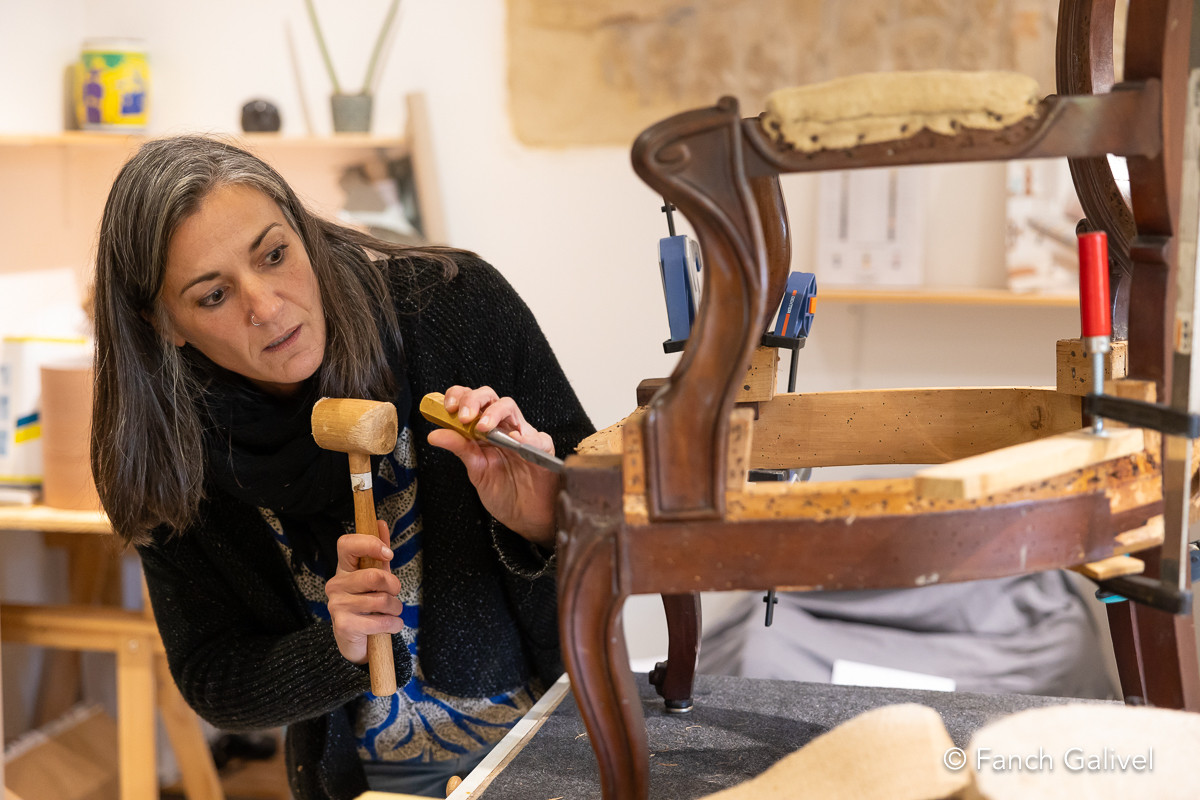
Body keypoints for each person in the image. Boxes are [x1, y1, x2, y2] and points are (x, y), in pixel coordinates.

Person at [89, 135, 594, 799]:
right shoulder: (167, 450)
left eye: (275, 255)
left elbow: (619, 545)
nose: (268, 307)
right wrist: (336, 649)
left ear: (304, 233)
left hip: (560, 738)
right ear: (166, 324)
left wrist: (540, 522)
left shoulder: (457, 308)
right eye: (213, 295)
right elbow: (213, 677)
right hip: (376, 781)